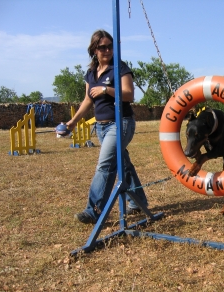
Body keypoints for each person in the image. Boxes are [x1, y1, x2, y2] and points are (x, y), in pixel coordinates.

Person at [67, 29, 148, 224]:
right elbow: (88, 100)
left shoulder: (119, 67)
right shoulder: (91, 73)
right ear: (94, 49)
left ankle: (94, 211)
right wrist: (73, 122)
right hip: (101, 127)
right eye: (102, 47)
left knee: (105, 166)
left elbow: (129, 94)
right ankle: (139, 202)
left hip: (121, 123)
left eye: (110, 46)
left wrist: (107, 89)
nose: (107, 50)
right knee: (123, 165)